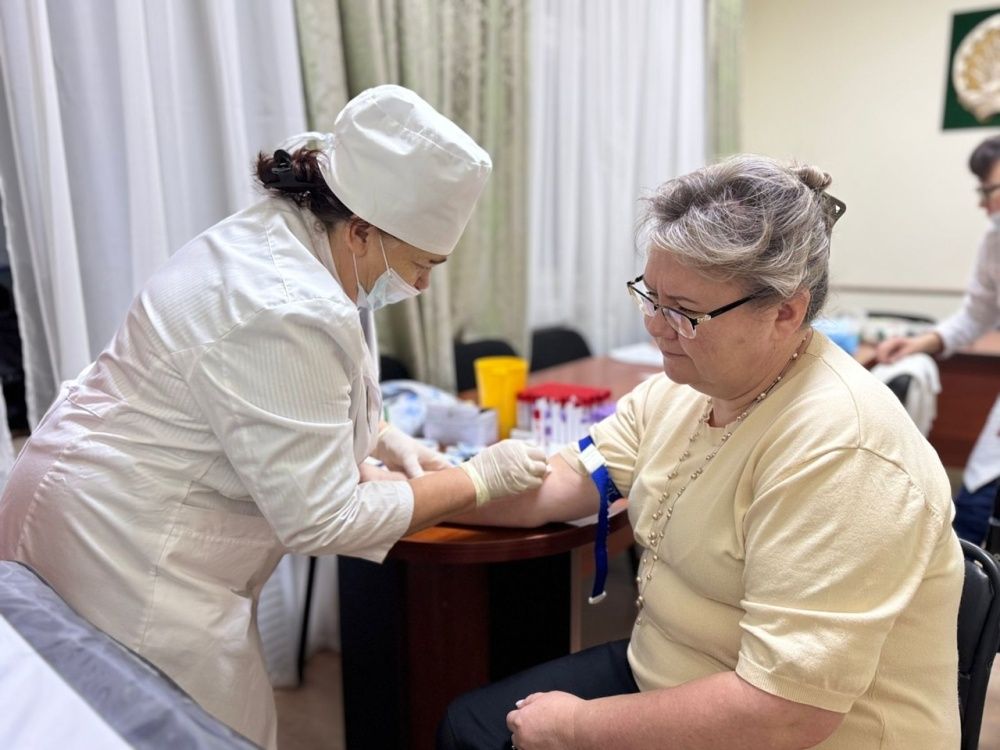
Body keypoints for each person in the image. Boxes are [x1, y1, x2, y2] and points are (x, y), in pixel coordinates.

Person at [0, 85, 548, 749]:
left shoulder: (299, 234)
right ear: (362, 231)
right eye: (422, 265)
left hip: (91, 482)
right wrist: (478, 479)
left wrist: (380, 435)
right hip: (120, 540)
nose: (424, 285)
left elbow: (263, 391)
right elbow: (322, 518)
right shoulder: (285, 304)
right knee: (195, 730)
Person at [437, 155, 963, 749]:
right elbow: (567, 482)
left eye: (685, 312)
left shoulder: (842, 450)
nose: (656, 327)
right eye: (651, 296)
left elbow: (784, 713)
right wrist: (420, 494)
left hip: (795, 729)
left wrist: (575, 727)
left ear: (785, 311)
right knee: (467, 725)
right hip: (674, 674)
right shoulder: (686, 388)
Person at [876, 134, 1000, 545]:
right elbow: (977, 314)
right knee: (973, 526)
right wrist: (920, 343)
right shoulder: (994, 241)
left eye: (989, 190)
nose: (984, 204)